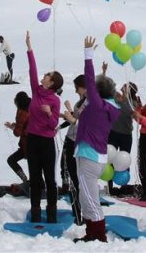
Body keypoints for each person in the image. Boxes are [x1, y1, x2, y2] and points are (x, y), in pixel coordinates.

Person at [74, 37, 120, 243]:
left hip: (90, 157)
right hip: (94, 157)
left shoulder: (97, 106)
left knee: (91, 199)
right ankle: (91, 232)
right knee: (86, 197)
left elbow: (90, 80)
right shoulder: (109, 107)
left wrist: (88, 54)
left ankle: (98, 235)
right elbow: (99, 86)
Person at [25, 31, 63, 223]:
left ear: (52, 82)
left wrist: (49, 113)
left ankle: (52, 213)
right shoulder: (37, 91)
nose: (43, 76)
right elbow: (32, 70)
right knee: (35, 179)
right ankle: (35, 212)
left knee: (49, 179)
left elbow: (54, 124)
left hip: (47, 143)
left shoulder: (55, 100)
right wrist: (29, 48)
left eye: (47, 75)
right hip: (32, 140)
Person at [59, 74, 87, 223]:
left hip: (81, 144)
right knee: (72, 179)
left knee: (79, 180)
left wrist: (73, 120)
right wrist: (67, 117)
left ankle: (82, 214)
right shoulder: (81, 101)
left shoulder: (91, 103)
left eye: (77, 87)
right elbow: (75, 119)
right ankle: (77, 213)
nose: (76, 90)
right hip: (71, 141)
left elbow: (86, 124)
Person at [107, 80, 138, 195]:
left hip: (126, 135)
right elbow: (107, 89)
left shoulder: (133, 103)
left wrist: (122, 99)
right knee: (110, 159)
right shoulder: (117, 98)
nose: (122, 88)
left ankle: (123, 186)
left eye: (125, 87)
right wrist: (104, 72)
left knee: (124, 160)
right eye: (123, 86)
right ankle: (109, 186)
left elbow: (127, 110)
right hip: (113, 133)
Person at [5, 91, 31, 188]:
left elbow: (18, 132)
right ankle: (32, 182)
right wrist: (14, 126)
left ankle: (27, 181)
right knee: (35, 167)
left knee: (11, 160)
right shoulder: (32, 108)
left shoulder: (22, 112)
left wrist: (14, 128)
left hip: (27, 145)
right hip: (36, 142)